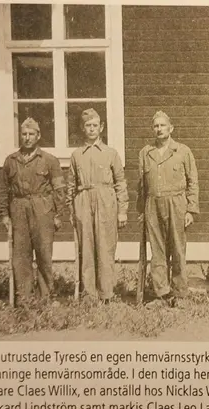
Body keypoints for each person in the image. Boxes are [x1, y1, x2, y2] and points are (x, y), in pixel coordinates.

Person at [0, 117, 65, 305]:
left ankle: (46, 297)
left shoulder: (49, 160)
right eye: (24, 134)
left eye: (31, 134)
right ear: (20, 136)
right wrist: (4, 214)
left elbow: (59, 189)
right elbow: (3, 189)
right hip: (18, 209)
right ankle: (24, 299)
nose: (27, 138)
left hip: (42, 209)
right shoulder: (11, 161)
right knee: (21, 255)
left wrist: (58, 214)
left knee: (44, 253)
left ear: (38, 136)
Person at [136, 111, 199, 308]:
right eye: (156, 126)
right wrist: (142, 211)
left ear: (171, 128)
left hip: (177, 203)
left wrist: (191, 210)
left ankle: (180, 294)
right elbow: (141, 185)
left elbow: (193, 182)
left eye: (162, 125)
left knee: (178, 249)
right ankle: (162, 294)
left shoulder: (182, 151)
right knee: (157, 251)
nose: (159, 129)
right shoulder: (146, 153)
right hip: (153, 205)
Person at [66, 108, 129, 305]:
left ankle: (106, 293)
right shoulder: (76, 155)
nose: (92, 129)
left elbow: (120, 183)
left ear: (101, 128)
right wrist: (71, 210)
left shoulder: (111, 153)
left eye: (95, 125)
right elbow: (71, 185)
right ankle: (89, 294)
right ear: (82, 128)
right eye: (88, 125)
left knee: (105, 247)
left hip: (106, 201)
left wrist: (122, 211)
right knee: (86, 248)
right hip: (83, 200)